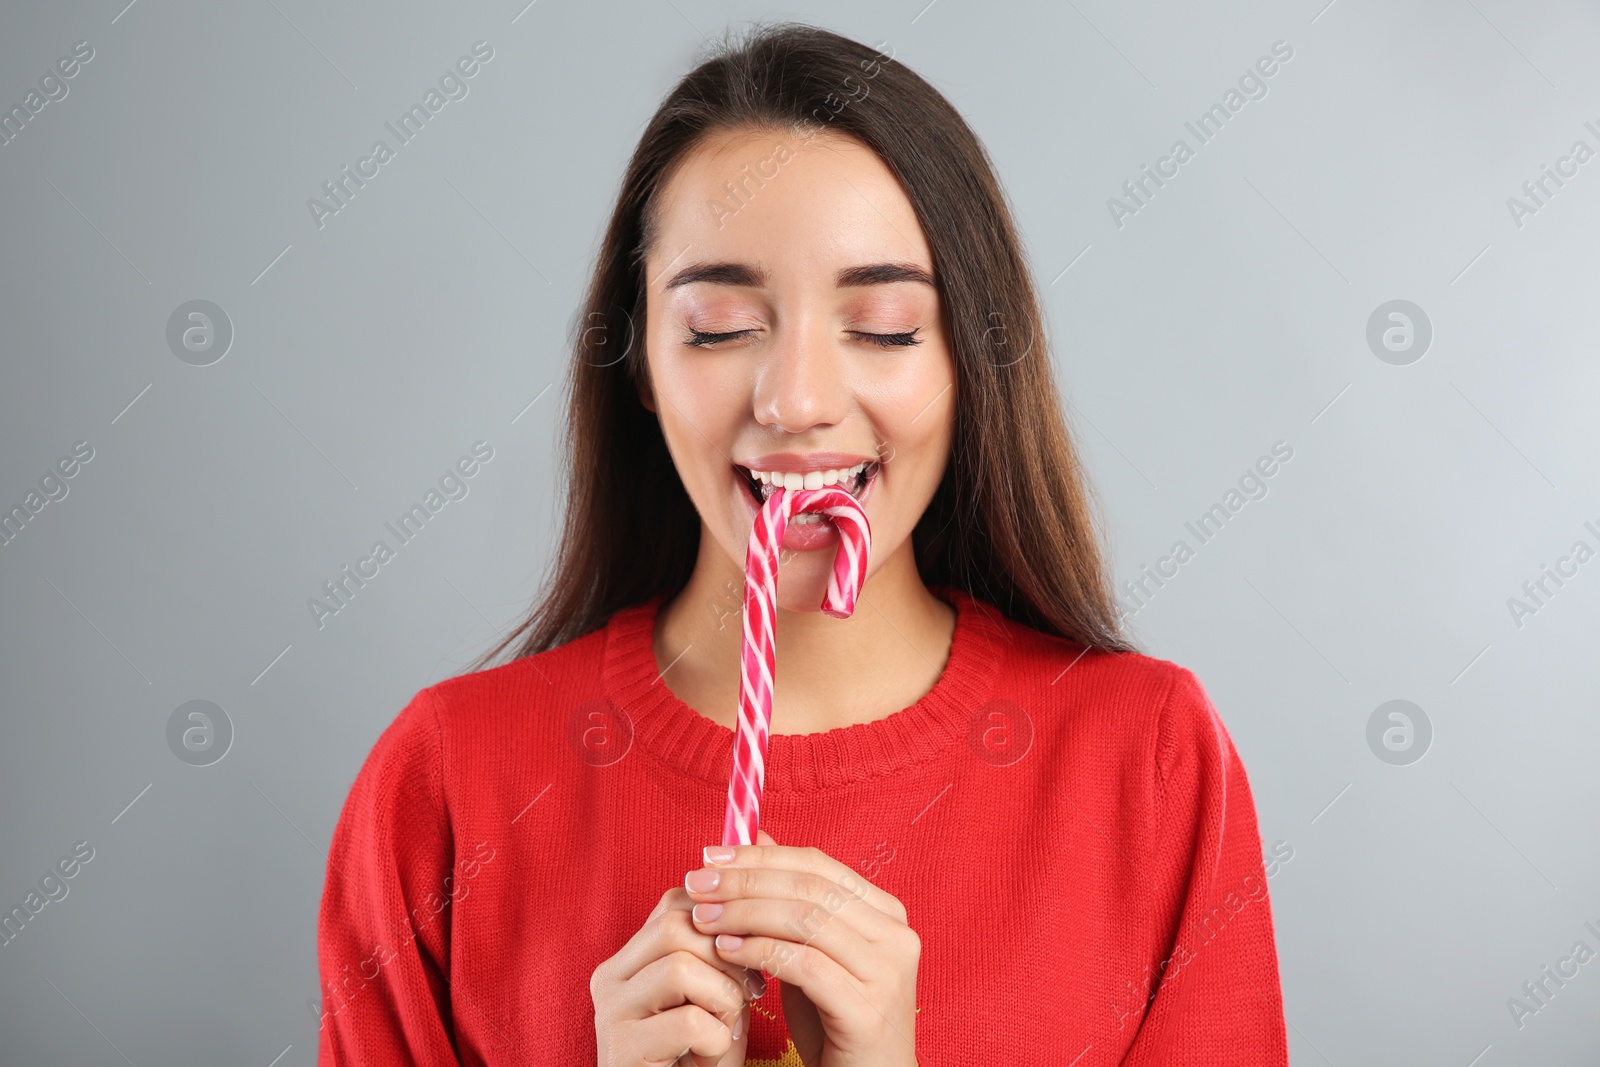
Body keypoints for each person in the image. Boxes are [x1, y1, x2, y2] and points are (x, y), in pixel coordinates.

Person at [315, 20, 1288, 1066]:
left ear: (971, 363)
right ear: (637, 360)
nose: (797, 401)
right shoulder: (446, 784)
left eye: (882, 327)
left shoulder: (1146, 762)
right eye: (721, 327)